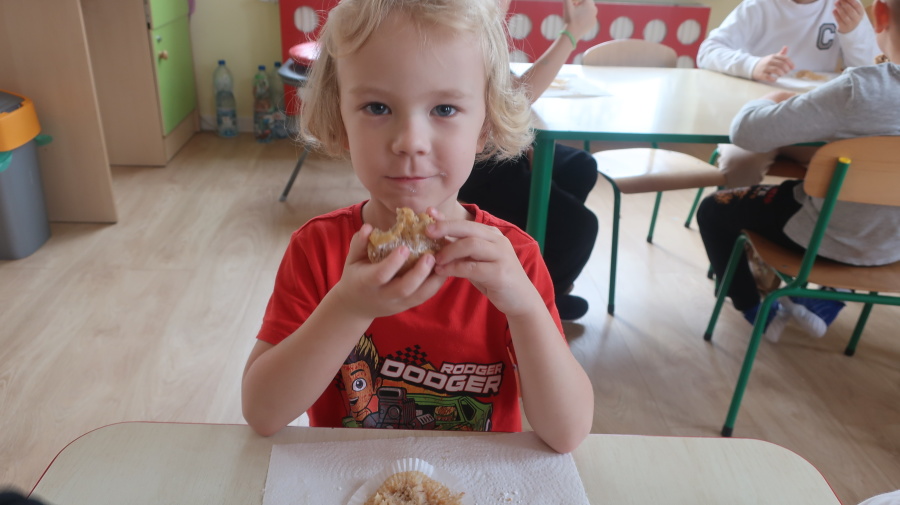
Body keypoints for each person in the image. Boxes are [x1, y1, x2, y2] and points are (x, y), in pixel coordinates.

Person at [241, 0, 594, 454]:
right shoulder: (318, 250)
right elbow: (262, 412)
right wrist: (347, 308)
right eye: (377, 107)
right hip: (349, 478)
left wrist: (525, 308)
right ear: (340, 120)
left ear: (484, 125)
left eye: (444, 109)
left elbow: (566, 433)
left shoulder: (514, 260)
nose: (410, 141)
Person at [696, 0, 900, 343]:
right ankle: (826, 297)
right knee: (854, 186)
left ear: (879, 14)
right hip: (890, 246)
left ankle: (753, 306)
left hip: (822, 229)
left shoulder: (859, 88)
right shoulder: (758, 7)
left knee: (714, 210)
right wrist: (754, 65)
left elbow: (746, 130)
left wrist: (769, 99)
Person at [459, 0, 600, 321]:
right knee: (580, 227)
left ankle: (540, 274)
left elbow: (507, 90)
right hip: (474, 155)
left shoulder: (482, 19)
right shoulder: (465, 16)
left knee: (580, 167)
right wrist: (572, 32)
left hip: (492, 140)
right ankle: (536, 305)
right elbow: (514, 101)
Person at [697, 0, 881, 188]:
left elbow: (869, 72)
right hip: (759, 117)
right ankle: (734, 205)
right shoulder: (759, 6)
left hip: (814, 120)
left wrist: (852, 34)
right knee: (740, 163)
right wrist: (752, 65)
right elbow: (707, 51)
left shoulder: (846, 6)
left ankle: (808, 207)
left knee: (845, 166)